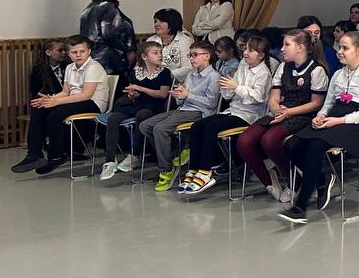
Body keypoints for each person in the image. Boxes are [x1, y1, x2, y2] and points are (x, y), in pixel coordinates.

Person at [279, 31, 359, 224]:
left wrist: (339, 121)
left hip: (356, 124)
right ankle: (321, 179)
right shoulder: (338, 74)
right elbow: (328, 103)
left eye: (345, 48)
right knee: (292, 145)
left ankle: (300, 207)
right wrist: (320, 116)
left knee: (315, 146)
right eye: (339, 47)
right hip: (334, 117)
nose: (339, 52)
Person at [235, 29, 328, 203]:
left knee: (270, 140)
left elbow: (316, 103)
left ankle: (294, 181)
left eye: (287, 45)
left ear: (300, 48)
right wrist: (276, 109)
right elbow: (274, 97)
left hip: (303, 115)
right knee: (244, 140)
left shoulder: (316, 70)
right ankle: (268, 180)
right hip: (281, 111)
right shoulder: (283, 67)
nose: (282, 49)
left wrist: (288, 112)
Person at [179, 35, 272, 195]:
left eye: (250, 50)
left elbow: (257, 97)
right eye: (245, 49)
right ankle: (193, 169)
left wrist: (236, 87)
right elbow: (229, 96)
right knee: (197, 126)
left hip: (249, 116)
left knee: (211, 128)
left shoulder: (264, 73)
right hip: (233, 110)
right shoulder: (243, 67)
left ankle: (205, 171)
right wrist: (226, 86)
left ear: (261, 55)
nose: (245, 53)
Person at [12, 35, 112, 175]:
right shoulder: (70, 67)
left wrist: (56, 102)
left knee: (56, 114)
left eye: (82, 51)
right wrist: (50, 99)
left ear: (89, 52)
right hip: (75, 100)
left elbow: (86, 95)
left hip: (93, 103)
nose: (78, 55)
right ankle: (34, 154)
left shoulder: (94, 67)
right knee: (39, 108)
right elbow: (66, 92)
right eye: (74, 52)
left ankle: (56, 155)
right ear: (69, 53)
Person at [140, 41, 221, 191]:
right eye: (190, 55)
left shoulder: (213, 76)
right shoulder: (191, 74)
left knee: (160, 129)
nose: (191, 58)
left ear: (207, 56)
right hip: (183, 109)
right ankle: (172, 154)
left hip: (199, 112)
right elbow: (181, 100)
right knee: (145, 126)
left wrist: (188, 95)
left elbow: (211, 104)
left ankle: (166, 169)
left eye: (195, 55)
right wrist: (179, 95)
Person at [99, 41, 172, 180]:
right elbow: (133, 93)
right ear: (144, 57)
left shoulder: (164, 72)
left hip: (153, 106)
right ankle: (110, 160)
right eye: (155, 53)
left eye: (161, 53)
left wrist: (141, 89)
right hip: (136, 104)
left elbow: (163, 94)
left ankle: (135, 155)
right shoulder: (135, 72)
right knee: (113, 118)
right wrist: (132, 94)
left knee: (142, 115)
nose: (160, 55)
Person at [79, 0, 135, 75]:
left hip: (92, 59)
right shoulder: (109, 7)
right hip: (110, 62)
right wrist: (128, 52)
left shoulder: (89, 8)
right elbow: (110, 36)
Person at [149, 8, 194, 81]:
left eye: (162, 21)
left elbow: (188, 68)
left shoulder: (185, 41)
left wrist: (164, 75)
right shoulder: (151, 40)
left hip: (178, 84)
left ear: (172, 23)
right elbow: (143, 64)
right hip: (153, 81)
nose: (157, 24)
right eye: (155, 21)